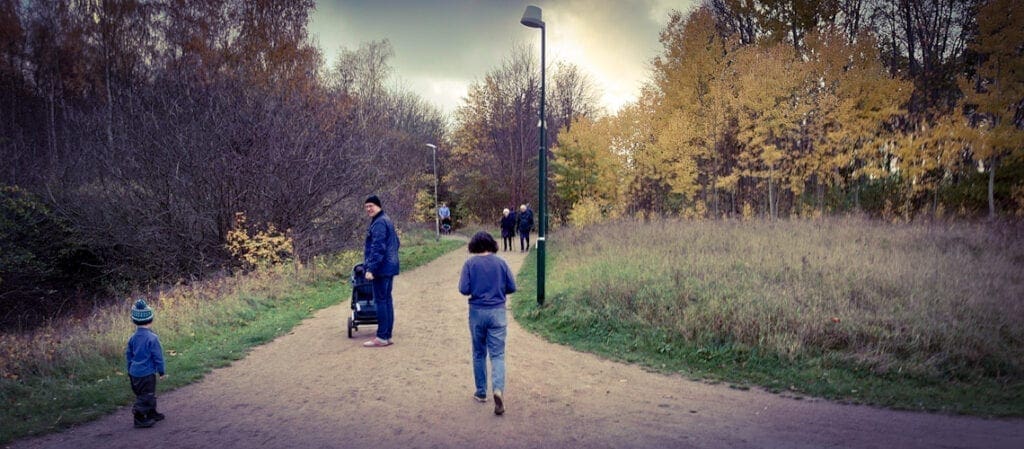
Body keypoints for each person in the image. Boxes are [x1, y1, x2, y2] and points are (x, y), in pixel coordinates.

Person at [458, 231, 516, 415]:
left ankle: (481, 392)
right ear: (492, 244)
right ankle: (497, 389)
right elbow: (512, 287)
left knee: (478, 353)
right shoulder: (501, 263)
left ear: (474, 245)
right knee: (497, 355)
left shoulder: (469, 264)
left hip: (477, 312)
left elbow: (463, 289)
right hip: (497, 312)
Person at [363, 194, 401, 347]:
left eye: (371, 206)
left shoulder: (379, 223)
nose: (368, 209)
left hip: (381, 269)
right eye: (366, 207)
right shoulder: (386, 220)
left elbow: (378, 247)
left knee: (381, 301)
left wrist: (371, 268)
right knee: (387, 300)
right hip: (389, 267)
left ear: (378, 206)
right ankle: (387, 335)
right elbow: (397, 243)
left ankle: (381, 337)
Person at [125, 298, 166, 428]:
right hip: (146, 373)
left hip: (134, 373)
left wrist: (129, 370)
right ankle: (139, 417)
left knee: (146, 394)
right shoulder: (152, 338)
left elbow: (129, 355)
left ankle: (151, 412)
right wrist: (161, 371)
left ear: (134, 321)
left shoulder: (132, 338)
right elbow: (158, 357)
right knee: (147, 395)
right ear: (151, 320)